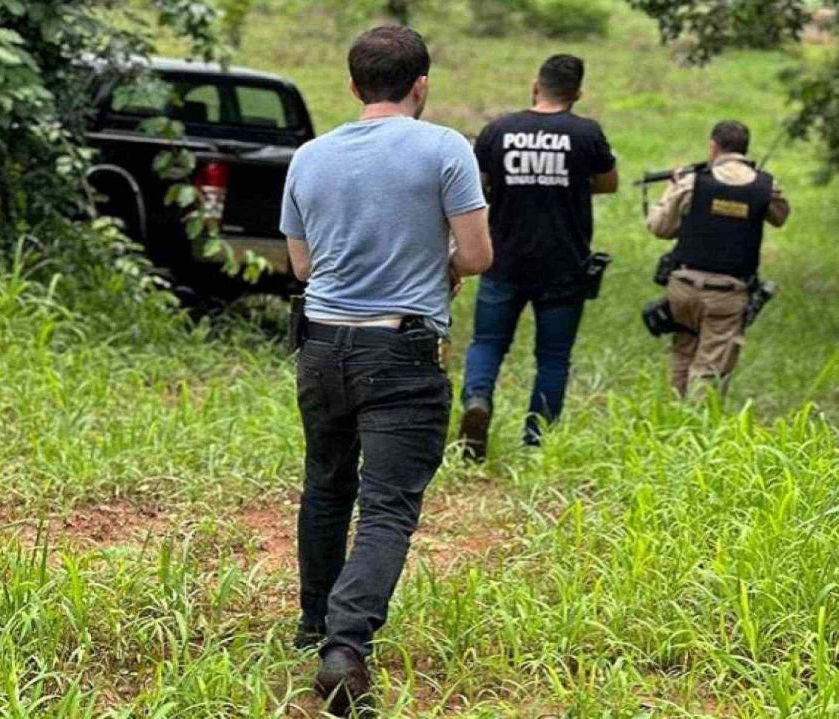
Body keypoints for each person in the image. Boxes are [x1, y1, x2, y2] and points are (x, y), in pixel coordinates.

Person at [279, 25, 492, 716]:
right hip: (400, 350)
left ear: (352, 85)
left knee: (326, 483)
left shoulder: (310, 156)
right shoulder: (445, 149)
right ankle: (344, 645)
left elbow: (303, 268)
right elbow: (478, 252)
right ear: (421, 84)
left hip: (321, 347)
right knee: (389, 504)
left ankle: (314, 619)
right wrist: (442, 269)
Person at [457, 54, 618, 461]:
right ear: (577, 94)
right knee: (553, 357)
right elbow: (609, 182)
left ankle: (477, 400)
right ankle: (535, 443)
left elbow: (481, 185)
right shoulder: (586, 134)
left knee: (488, 343)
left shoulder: (498, 130)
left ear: (535, 86)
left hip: (503, 259)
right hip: (563, 265)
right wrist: (569, 185)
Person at [645, 120, 790, 397]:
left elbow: (660, 228)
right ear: (745, 149)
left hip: (683, 289)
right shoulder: (765, 186)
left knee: (683, 353)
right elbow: (780, 217)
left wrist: (670, 190)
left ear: (713, 147)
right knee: (709, 369)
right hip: (728, 293)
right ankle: (695, 431)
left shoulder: (692, 183)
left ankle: (672, 418)